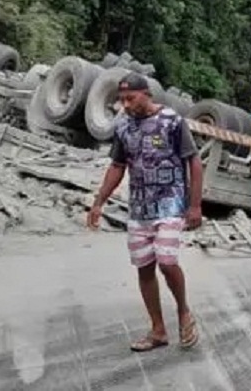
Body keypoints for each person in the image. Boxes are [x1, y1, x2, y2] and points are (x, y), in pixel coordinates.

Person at [87, 72, 203, 352]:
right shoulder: (123, 127)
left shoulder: (172, 121)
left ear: (146, 94)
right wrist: (99, 201)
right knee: (144, 267)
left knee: (166, 260)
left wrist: (195, 204)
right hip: (139, 209)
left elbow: (194, 161)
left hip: (171, 204)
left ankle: (183, 311)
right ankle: (158, 330)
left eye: (131, 98)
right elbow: (117, 166)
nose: (125, 105)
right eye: (122, 100)